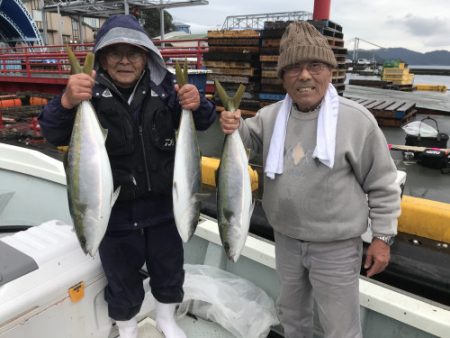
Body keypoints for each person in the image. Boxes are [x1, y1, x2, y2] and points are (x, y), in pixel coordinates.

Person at [220, 21, 401, 338]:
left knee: (339, 327)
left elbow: (383, 185)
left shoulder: (357, 121)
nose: (304, 76)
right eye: (293, 68)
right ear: (283, 77)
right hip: (286, 240)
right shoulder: (270, 116)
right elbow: (242, 146)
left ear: (330, 71)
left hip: (337, 247)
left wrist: (382, 239)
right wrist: (230, 123)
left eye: (314, 66)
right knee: (293, 318)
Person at [39, 14, 216, 338]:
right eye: (114, 52)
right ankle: (127, 326)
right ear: (102, 57)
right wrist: (66, 101)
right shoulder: (86, 97)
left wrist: (198, 102)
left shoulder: (165, 93)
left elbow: (202, 121)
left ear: (146, 56)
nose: (124, 61)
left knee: (169, 269)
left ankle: (166, 319)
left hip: (165, 209)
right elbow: (51, 132)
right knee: (120, 277)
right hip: (115, 213)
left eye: (133, 53)